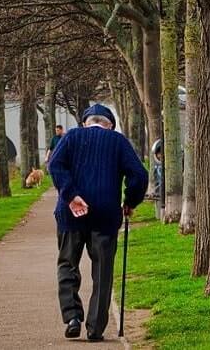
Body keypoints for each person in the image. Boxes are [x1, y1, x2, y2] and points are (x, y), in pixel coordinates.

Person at [47, 104, 148, 341]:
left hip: (71, 212)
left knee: (67, 264)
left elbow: (55, 165)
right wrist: (130, 201)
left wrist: (71, 195)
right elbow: (139, 175)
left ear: (85, 123)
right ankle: (95, 328)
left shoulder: (71, 136)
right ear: (109, 124)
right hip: (105, 214)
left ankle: (72, 316)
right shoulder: (117, 141)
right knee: (102, 272)